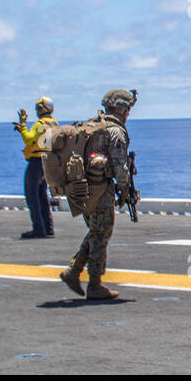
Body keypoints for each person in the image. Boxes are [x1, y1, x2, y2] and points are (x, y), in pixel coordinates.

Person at [59, 89, 137, 301]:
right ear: (121, 109)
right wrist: (124, 188)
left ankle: (73, 271)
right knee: (102, 233)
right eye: (127, 109)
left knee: (96, 231)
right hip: (101, 190)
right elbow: (120, 167)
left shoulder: (92, 126)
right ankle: (95, 284)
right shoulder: (115, 132)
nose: (128, 113)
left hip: (83, 188)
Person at [14, 97, 57, 239]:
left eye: (39, 108)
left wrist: (23, 125)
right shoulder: (54, 123)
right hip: (48, 161)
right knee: (42, 194)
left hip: (36, 161)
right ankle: (48, 227)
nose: (37, 111)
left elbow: (29, 139)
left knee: (32, 194)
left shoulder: (40, 124)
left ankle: (38, 228)